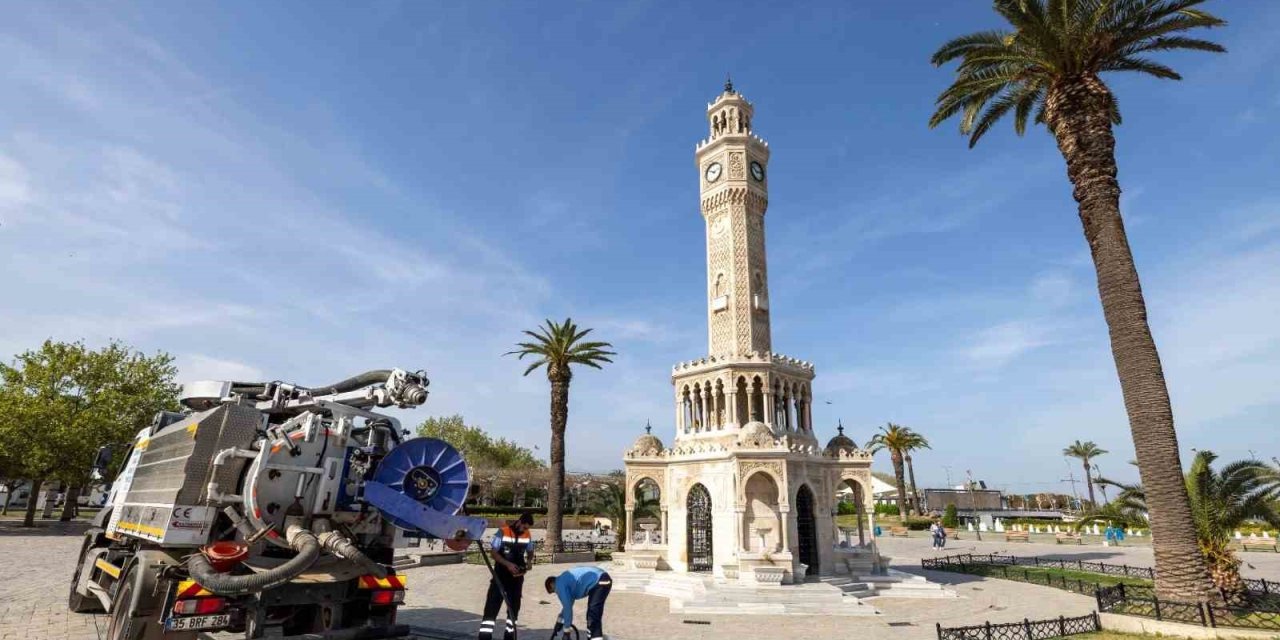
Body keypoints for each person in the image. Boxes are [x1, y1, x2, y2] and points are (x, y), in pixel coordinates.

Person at [478, 512, 535, 640]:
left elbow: (530, 551)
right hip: (500, 577)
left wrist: (529, 561)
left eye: (528, 528)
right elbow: (493, 553)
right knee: (491, 609)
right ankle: (484, 637)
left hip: (516, 579)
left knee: (514, 611)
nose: (525, 530)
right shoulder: (503, 532)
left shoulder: (527, 534)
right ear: (519, 522)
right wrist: (508, 564)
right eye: (524, 527)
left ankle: (509, 637)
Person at [545, 566, 612, 640]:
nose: (557, 593)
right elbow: (568, 605)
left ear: (551, 584)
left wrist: (566, 631)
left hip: (599, 580)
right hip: (601, 579)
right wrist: (559, 622)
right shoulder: (564, 580)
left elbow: (568, 608)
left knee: (593, 616)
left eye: (554, 591)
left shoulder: (560, 584)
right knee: (592, 616)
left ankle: (595, 637)